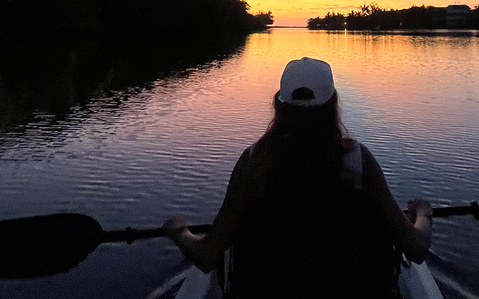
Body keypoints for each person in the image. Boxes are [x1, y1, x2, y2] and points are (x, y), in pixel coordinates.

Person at [164, 57, 433, 299]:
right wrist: (423, 214)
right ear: (333, 103)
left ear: (279, 104)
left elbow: (207, 255)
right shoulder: (359, 160)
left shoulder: (255, 161)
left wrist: (180, 232)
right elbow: (416, 248)